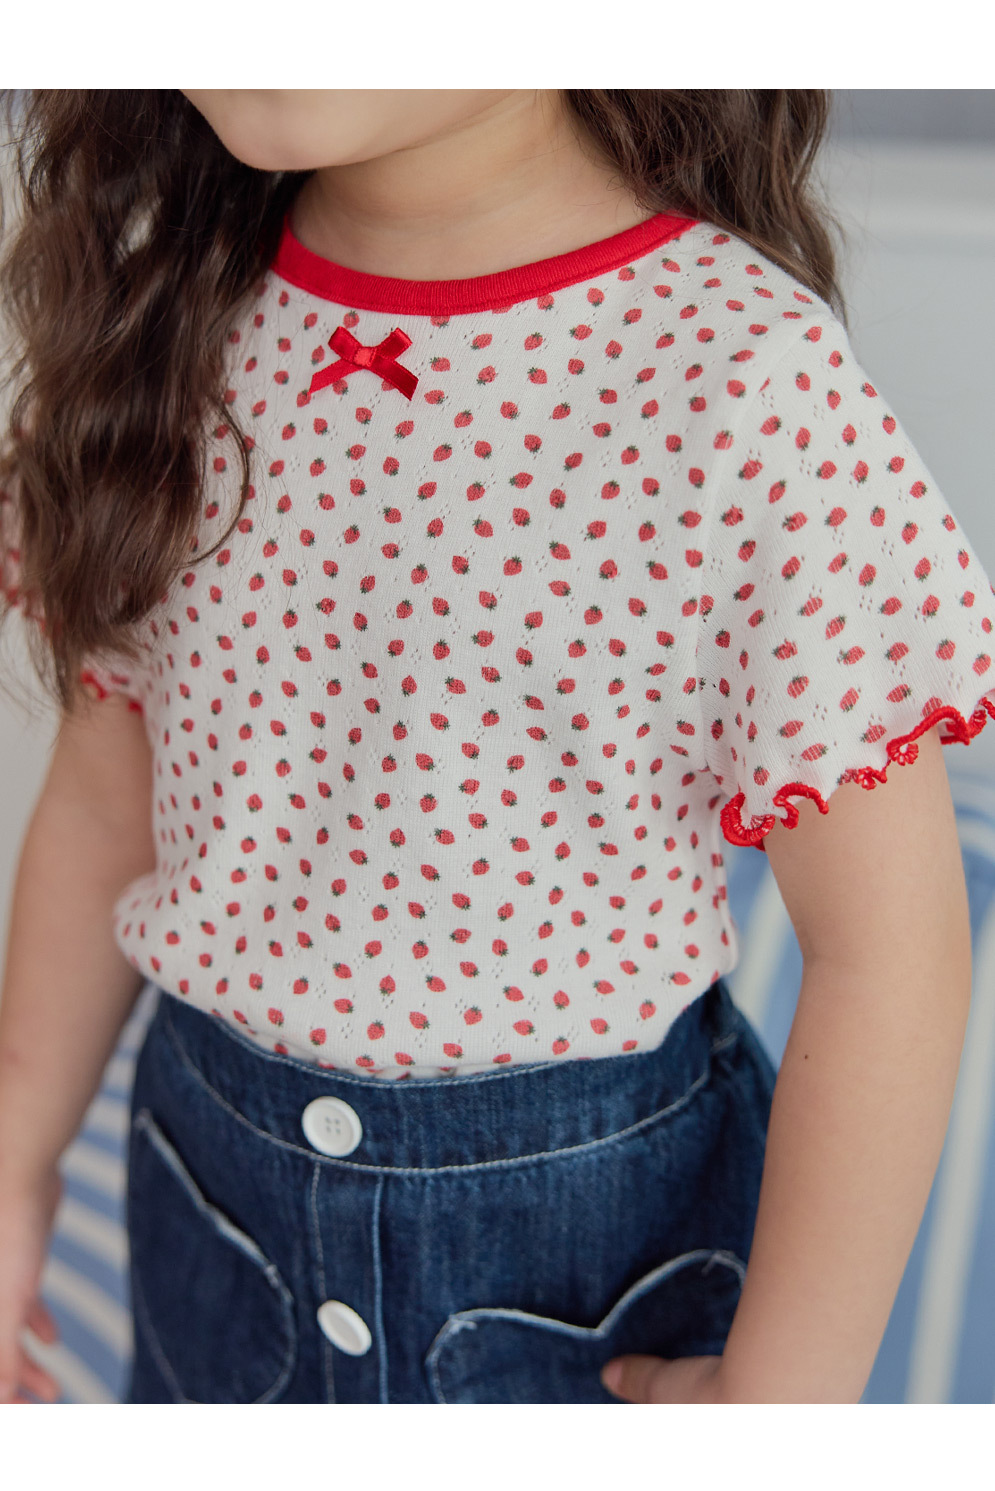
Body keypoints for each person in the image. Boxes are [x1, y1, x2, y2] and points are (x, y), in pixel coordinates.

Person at [0, 89, 987, 1406]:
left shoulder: (747, 378)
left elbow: (890, 948)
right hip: (208, 1198)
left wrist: (784, 1404)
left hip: (595, 1258)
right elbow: (105, 798)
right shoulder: (162, 316)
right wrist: (15, 1163)